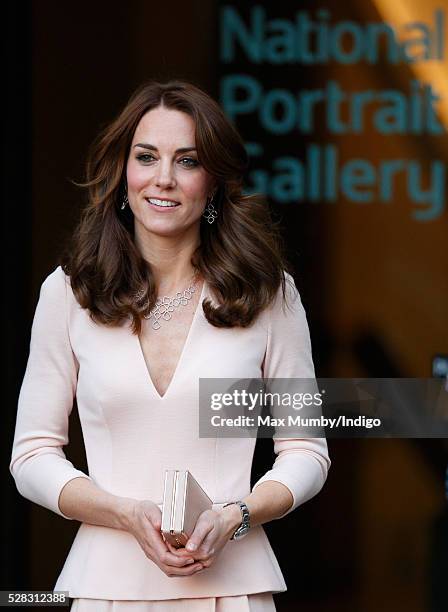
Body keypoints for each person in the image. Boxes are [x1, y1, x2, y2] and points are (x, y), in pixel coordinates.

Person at [9, 80, 331, 612]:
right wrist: (123, 513)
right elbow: (32, 455)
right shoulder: (68, 293)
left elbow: (306, 452)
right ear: (123, 173)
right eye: (146, 157)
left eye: (187, 160)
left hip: (233, 589)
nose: (163, 179)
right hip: (105, 589)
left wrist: (236, 515)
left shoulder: (268, 293)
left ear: (212, 183)